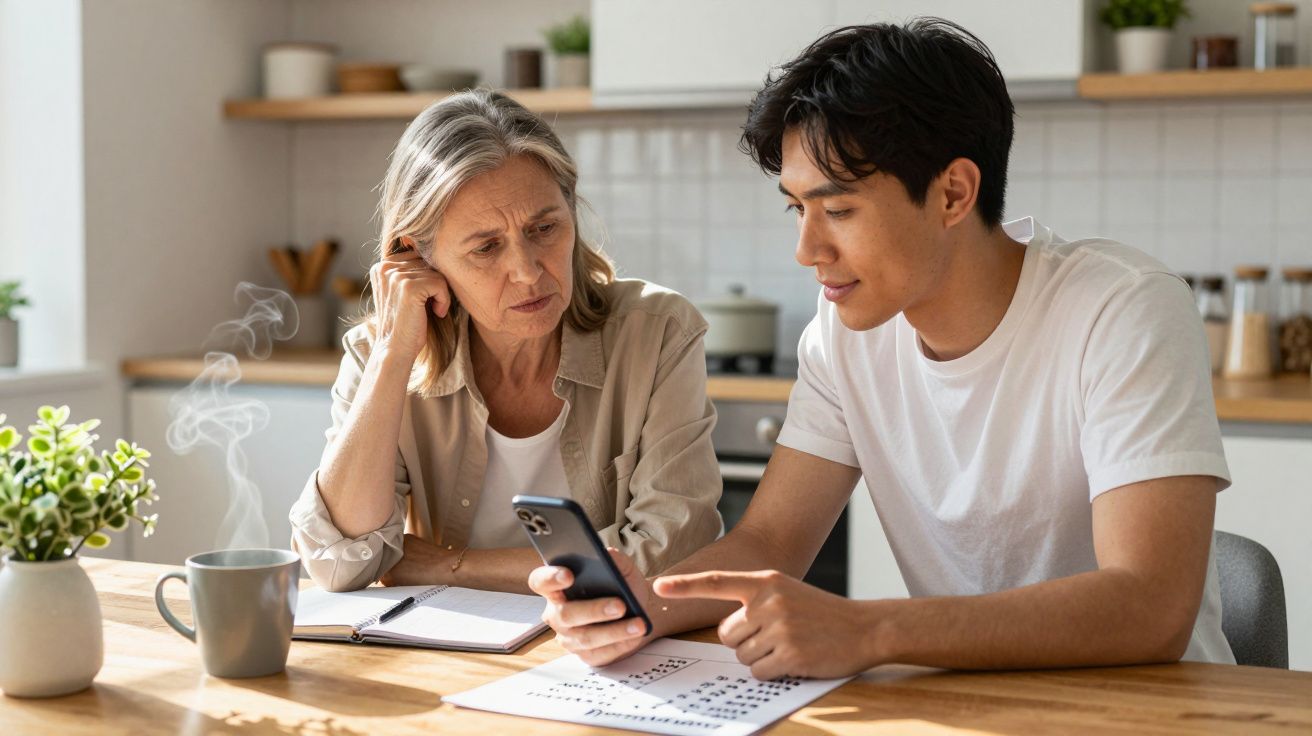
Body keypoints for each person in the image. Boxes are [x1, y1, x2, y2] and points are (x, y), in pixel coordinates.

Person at [530, 18, 1235, 678]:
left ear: (953, 193)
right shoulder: (844, 332)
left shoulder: (1123, 308)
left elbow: (1150, 608)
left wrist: (870, 631)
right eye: (796, 208)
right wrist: (644, 605)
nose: (808, 249)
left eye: (838, 210)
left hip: (1150, 707)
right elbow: (772, 540)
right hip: (968, 702)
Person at [290, 90, 722, 593]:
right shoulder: (377, 354)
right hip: (446, 657)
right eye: (486, 248)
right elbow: (338, 564)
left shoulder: (657, 332)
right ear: (417, 257)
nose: (527, 271)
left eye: (545, 228)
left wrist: (452, 566)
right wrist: (392, 355)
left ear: (572, 213)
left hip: (610, 649)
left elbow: (673, 558)